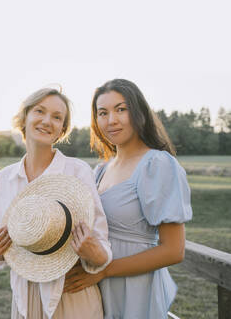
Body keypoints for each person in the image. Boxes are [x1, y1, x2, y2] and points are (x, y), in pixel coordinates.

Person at [0, 88, 112, 319]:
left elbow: (100, 245)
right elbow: (7, 248)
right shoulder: (3, 180)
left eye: (57, 117)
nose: (47, 121)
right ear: (25, 117)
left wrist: (96, 255)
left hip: (72, 293)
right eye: (40, 111)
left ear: (62, 129)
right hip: (24, 298)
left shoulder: (77, 171)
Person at [64, 79, 193, 319]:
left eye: (120, 109)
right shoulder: (101, 170)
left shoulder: (157, 165)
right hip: (99, 288)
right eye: (102, 113)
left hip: (135, 289)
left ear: (139, 112)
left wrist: (104, 271)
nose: (111, 120)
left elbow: (174, 250)